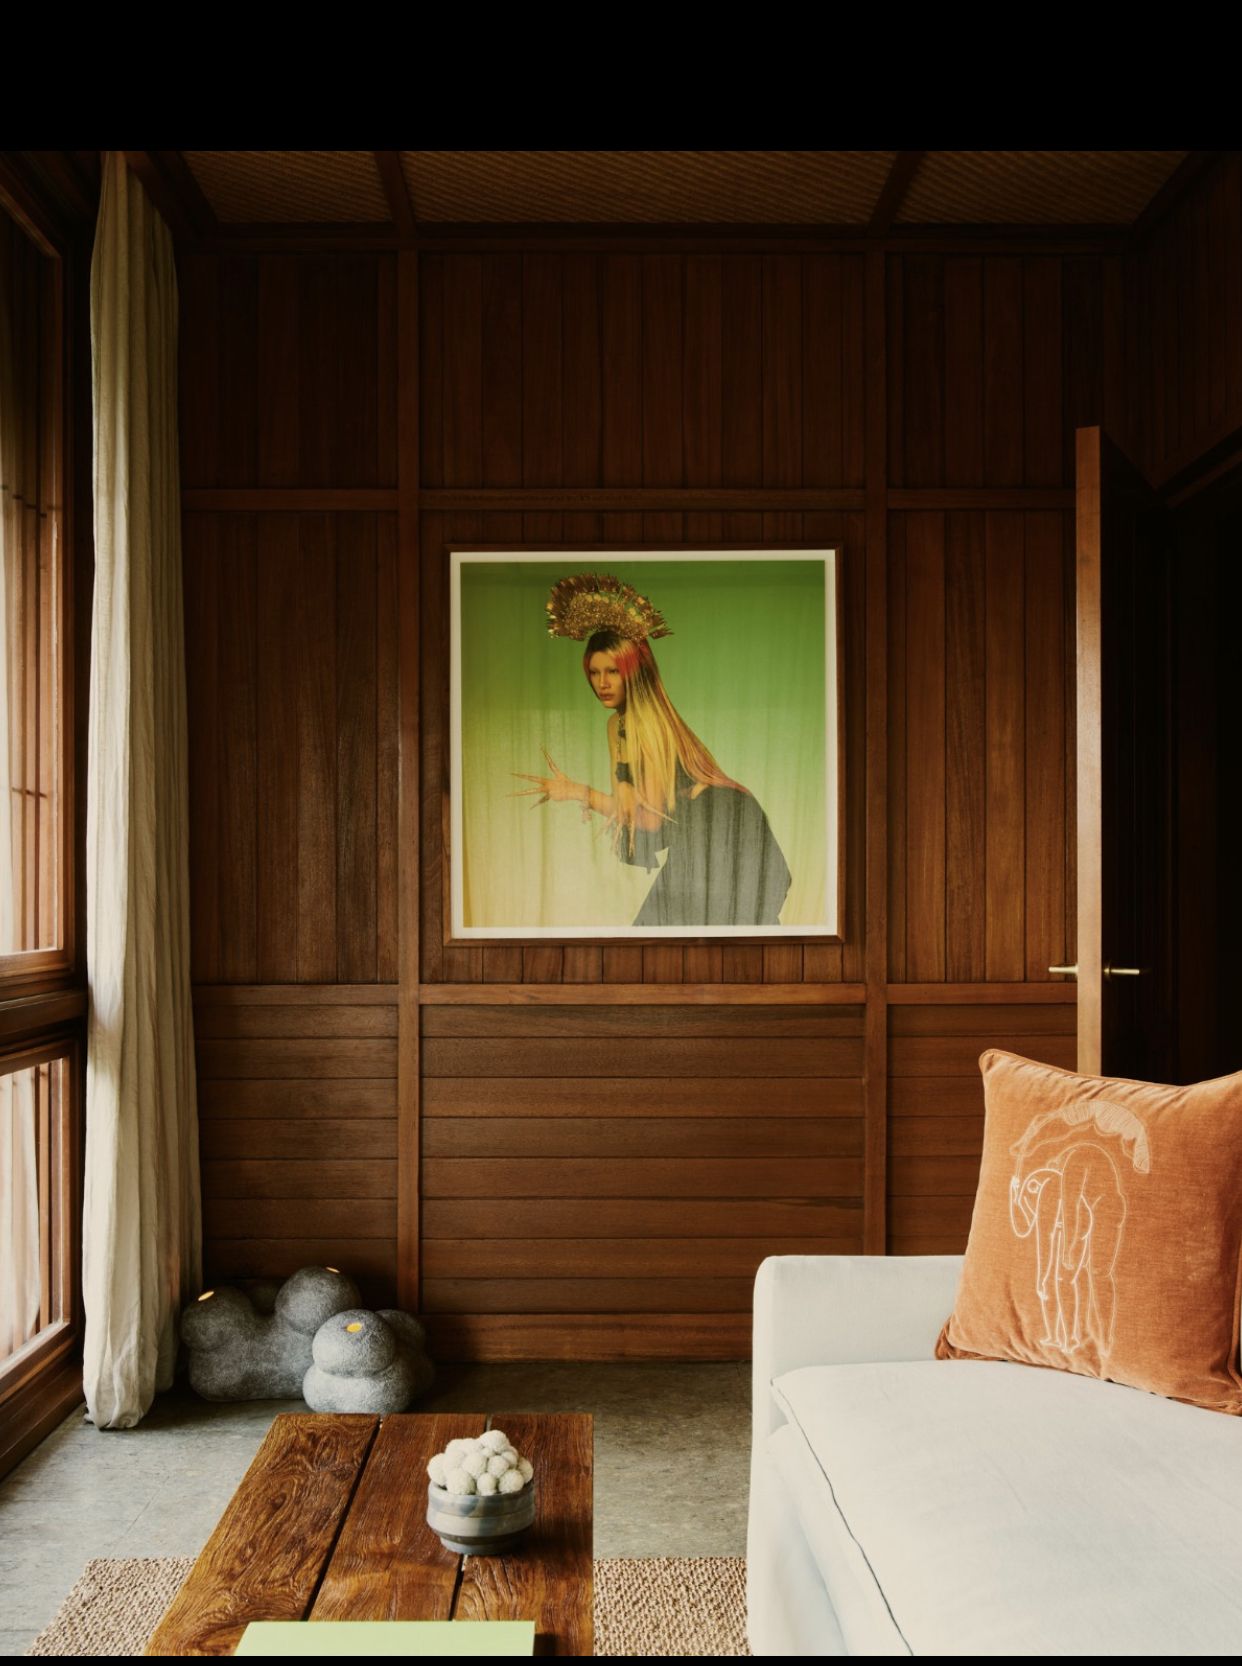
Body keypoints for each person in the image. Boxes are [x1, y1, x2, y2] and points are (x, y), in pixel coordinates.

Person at [513, 574, 791, 928]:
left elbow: (649, 821)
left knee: (681, 929)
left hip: (725, 825)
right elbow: (631, 809)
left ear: (632, 671)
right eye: (595, 672)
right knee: (668, 930)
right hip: (698, 831)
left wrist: (578, 792)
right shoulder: (618, 724)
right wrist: (602, 794)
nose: (602, 683)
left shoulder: (646, 724)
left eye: (613, 671)